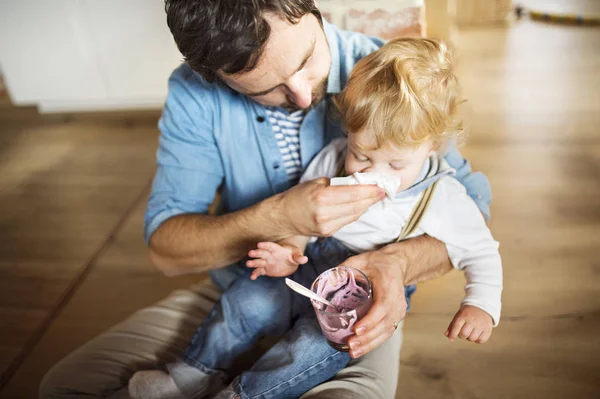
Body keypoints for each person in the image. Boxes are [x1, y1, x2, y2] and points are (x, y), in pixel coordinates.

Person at [40, 1, 492, 398]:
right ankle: (194, 375)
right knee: (62, 385)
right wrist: (280, 218)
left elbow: (472, 210)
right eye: (264, 88)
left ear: (311, 8)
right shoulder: (196, 94)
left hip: (354, 307)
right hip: (248, 286)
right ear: (213, 74)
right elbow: (165, 248)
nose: (300, 94)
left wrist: (396, 263)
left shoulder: (392, 82)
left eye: (307, 59)